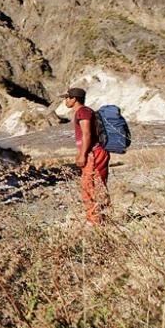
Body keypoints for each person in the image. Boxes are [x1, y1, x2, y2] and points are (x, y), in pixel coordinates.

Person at [60, 88, 110, 225]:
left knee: (90, 186)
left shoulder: (82, 112)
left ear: (74, 99)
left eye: (67, 98)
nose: (65, 101)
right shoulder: (86, 111)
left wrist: (82, 155)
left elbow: (86, 134)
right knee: (97, 184)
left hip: (94, 153)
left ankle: (95, 221)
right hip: (97, 152)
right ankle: (101, 218)